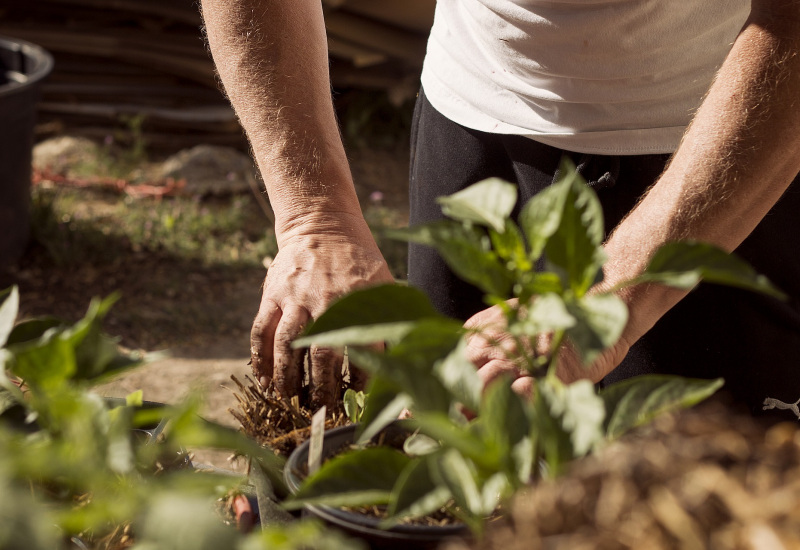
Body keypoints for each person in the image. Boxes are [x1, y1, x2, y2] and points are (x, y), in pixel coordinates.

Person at [200, 0, 800, 414]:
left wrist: (606, 299)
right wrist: (315, 218)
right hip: (472, 124)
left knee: (685, 507)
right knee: (458, 481)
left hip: (724, 155)